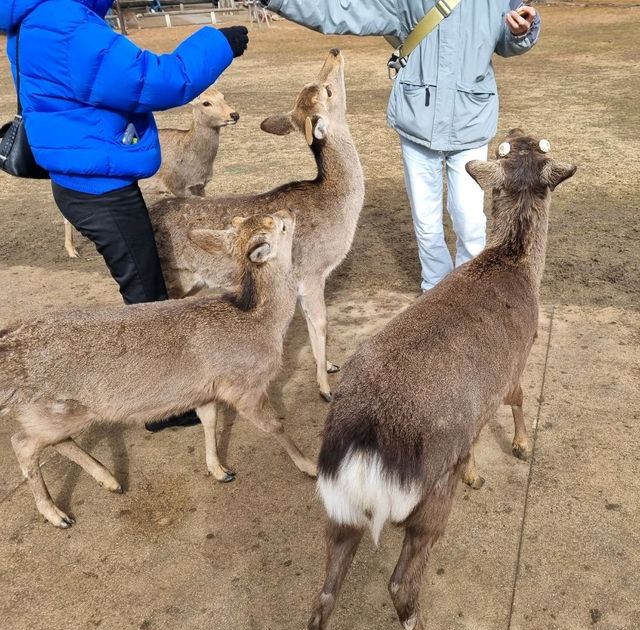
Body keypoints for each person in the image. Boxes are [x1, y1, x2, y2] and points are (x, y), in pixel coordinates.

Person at [0, 0, 249, 430]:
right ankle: (160, 406)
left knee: (142, 288)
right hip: (100, 188)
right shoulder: (65, 23)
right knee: (146, 296)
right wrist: (217, 44)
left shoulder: (37, 19)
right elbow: (153, 81)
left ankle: (158, 394)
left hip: (82, 175)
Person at [261, 0, 540, 292]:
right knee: (426, 223)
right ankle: (434, 290)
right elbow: (342, 10)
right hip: (417, 119)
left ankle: (468, 292)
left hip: (471, 120)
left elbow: (509, 38)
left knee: (469, 222)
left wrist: (523, 30)